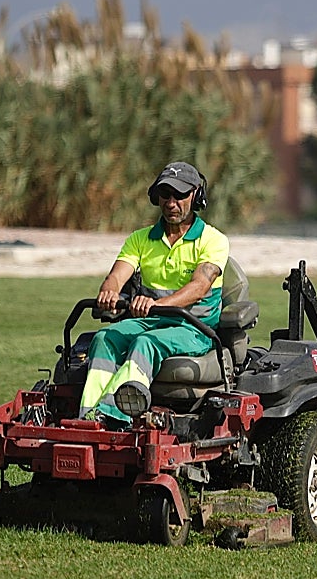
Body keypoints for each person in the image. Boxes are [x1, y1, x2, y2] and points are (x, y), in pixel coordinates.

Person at [78, 161, 229, 427]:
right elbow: (117, 275)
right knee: (104, 337)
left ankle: (115, 416)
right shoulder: (140, 239)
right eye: (165, 195)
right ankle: (89, 417)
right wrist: (109, 292)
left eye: (179, 195)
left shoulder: (213, 240)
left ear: (196, 195)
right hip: (150, 322)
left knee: (145, 343)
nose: (171, 203)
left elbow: (199, 288)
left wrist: (156, 304)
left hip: (194, 329)